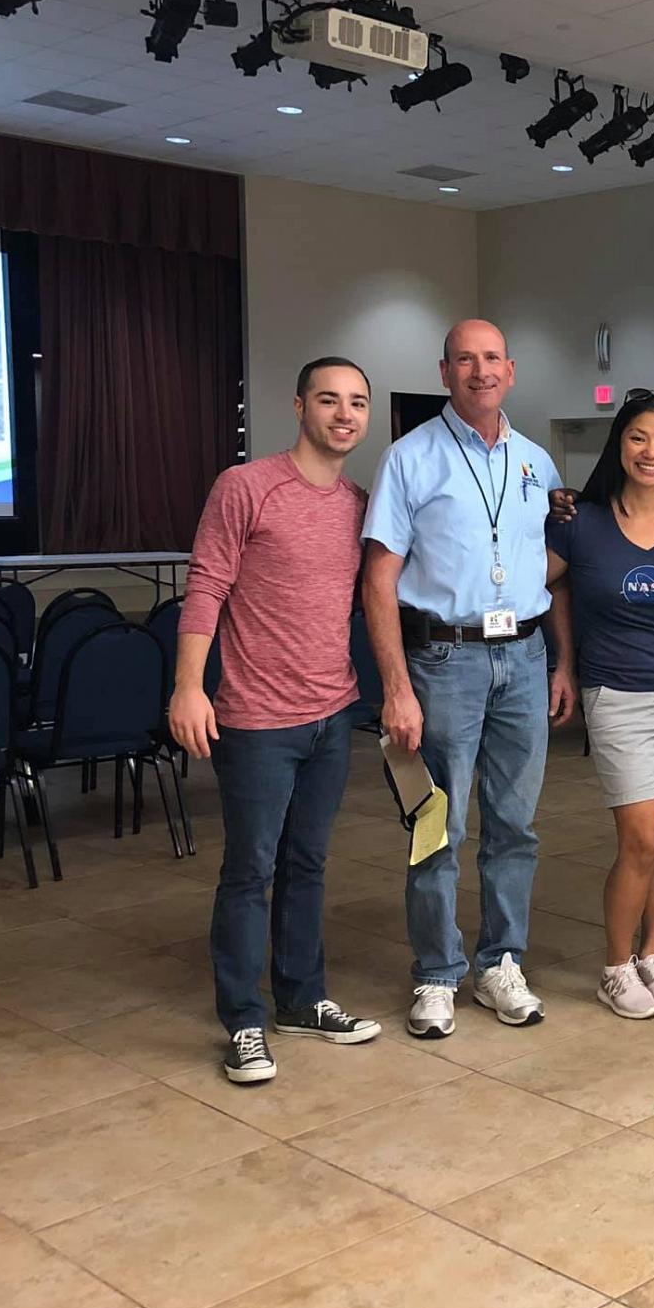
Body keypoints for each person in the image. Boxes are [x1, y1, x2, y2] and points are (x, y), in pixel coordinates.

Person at [362, 319, 577, 1041]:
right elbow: (379, 578)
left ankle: (500, 960)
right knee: (437, 823)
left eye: (492, 359)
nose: (480, 371)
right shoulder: (409, 457)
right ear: (445, 371)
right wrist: (395, 685)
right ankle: (436, 970)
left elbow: (555, 563)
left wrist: (563, 658)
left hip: (521, 657)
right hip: (443, 662)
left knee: (514, 824)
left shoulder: (537, 463)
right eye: (465, 359)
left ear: (510, 371)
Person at [172, 357, 382, 1084]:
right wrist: (188, 688)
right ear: (299, 405)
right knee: (249, 869)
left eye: (357, 402)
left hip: (332, 711)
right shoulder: (246, 487)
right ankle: (244, 1019)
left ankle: (300, 995)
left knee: (308, 864)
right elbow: (205, 586)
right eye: (330, 399)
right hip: (257, 719)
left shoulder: (358, 501)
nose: (344, 414)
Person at [546, 390, 654, 1020]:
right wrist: (565, 662)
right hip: (618, 693)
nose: (652, 451)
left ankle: (652, 953)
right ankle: (615, 968)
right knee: (639, 835)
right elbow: (551, 585)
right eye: (640, 438)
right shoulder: (578, 519)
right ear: (619, 443)